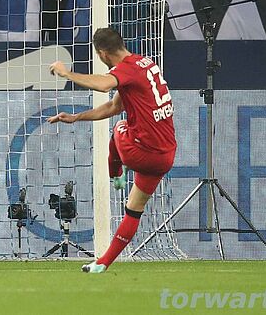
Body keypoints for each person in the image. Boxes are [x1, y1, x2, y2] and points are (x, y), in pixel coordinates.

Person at [47, 27, 176, 273]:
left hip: (143, 153)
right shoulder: (145, 65)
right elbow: (113, 107)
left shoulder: (125, 70)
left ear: (102, 54)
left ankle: (115, 174)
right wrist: (76, 117)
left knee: (119, 127)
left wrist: (67, 73)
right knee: (133, 210)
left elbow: (105, 86)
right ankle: (103, 263)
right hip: (164, 156)